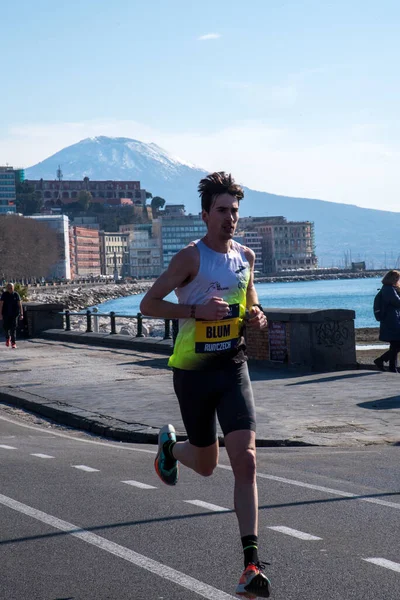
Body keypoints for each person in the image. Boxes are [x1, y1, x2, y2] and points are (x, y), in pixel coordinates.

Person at [140, 172, 271, 598]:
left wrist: (257, 316)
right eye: (222, 211)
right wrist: (196, 311)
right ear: (205, 215)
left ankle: (250, 564)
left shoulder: (246, 257)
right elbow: (148, 305)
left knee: (246, 462)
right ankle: (170, 449)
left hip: (233, 367)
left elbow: (250, 302)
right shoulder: (189, 258)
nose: (230, 218)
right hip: (192, 373)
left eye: (235, 210)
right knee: (207, 463)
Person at [374, 270, 400, 373]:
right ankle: (387, 364)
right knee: (396, 344)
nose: (398, 280)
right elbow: (397, 302)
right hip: (392, 320)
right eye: (397, 278)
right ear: (393, 278)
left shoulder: (387, 289)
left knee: (395, 344)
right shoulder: (389, 289)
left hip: (391, 319)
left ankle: (389, 365)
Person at [0, 283, 23, 349]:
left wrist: (21, 314)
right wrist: (0, 314)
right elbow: (1, 305)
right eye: (9, 288)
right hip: (6, 314)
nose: (10, 289)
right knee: (6, 328)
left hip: (14, 314)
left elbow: (20, 304)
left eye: (11, 288)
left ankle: (13, 342)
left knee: (13, 328)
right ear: (7, 288)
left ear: (13, 288)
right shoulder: (4, 295)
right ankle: (7, 338)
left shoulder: (16, 294)